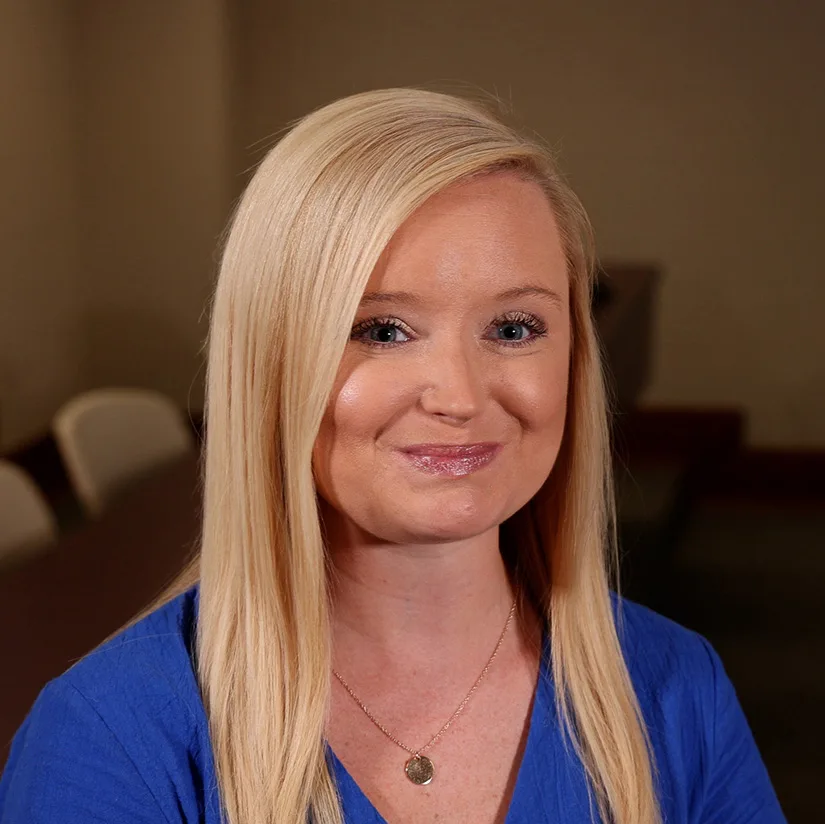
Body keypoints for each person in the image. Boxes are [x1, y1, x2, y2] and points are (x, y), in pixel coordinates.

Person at [0, 88, 785, 824]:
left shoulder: (678, 687)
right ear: (271, 367)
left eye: (514, 329)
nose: (460, 395)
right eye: (382, 330)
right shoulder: (108, 738)